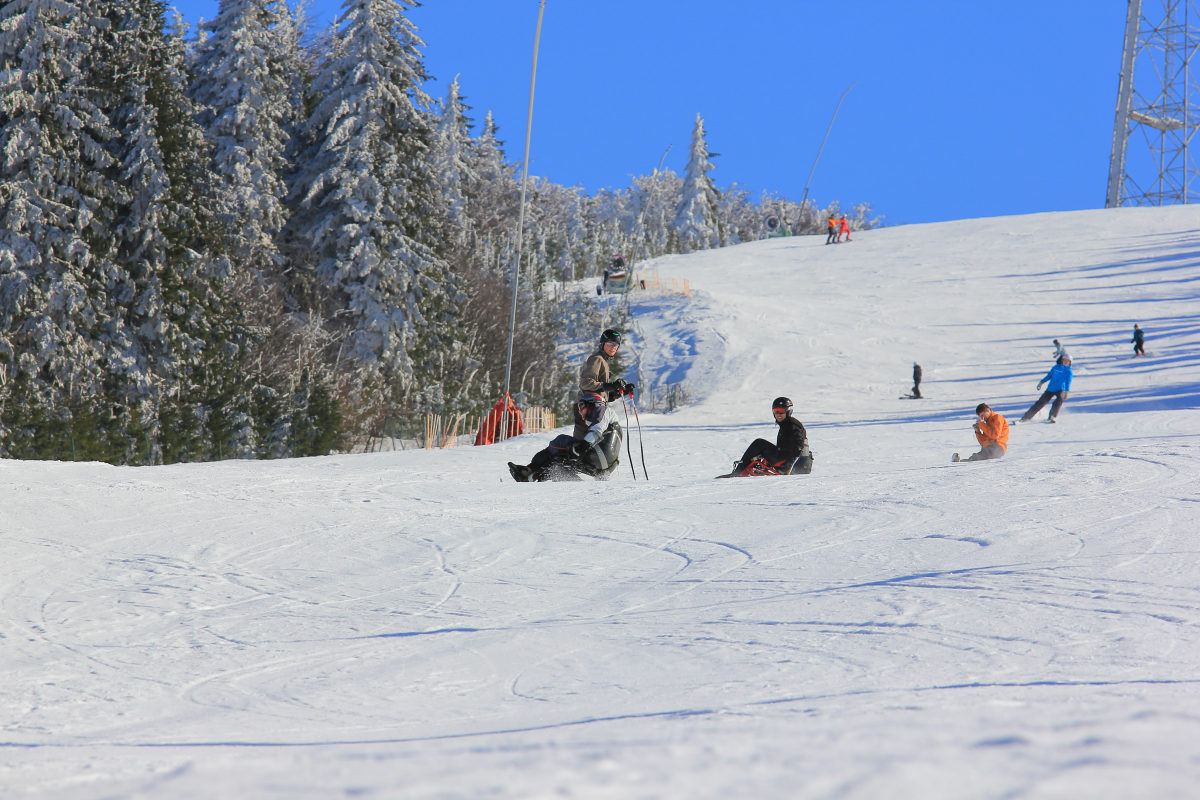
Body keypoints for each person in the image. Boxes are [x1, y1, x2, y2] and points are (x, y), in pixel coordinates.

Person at [509, 390, 624, 482]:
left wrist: (583, 445)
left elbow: (597, 429)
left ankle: (528, 470)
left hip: (600, 456)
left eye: (582, 406)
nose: (580, 411)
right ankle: (535, 475)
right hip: (606, 464)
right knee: (561, 456)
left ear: (593, 403)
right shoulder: (608, 418)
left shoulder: (601, 410)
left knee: (560, 441)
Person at [719, 396, 813, 477]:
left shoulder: (792, 425)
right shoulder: (787, 424)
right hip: (786, 461)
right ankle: (744, 469)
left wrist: (790, 467)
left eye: (781, 411)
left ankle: (738, 472)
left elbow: (799, 445)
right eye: (776, 411)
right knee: (763, 448)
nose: (778, 414)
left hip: (786, 464)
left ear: (788, 411)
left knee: (759, 443)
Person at [579, 328, 635, 405]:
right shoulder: (597, 359)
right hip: (589, 407)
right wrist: (610, 386)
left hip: (596, 406)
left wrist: (618, 392)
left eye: (616, 345)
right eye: (610, 343)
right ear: (602, 343)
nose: (613, 347)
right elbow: (585, 383)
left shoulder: (604, 361)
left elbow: (600, 393)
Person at [1019, 356, 1073, 423]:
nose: (1065, 362)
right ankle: (1025, 418)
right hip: (1051, 388)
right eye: (1064, 360)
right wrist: (1042, 382)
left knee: (1059, 400)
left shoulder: (1069, 372)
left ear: (1070, 362)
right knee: (1041, 403)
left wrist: (1066, 391)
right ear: (1062, 360)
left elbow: (1068, 382)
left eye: (1067, 361)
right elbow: (1049, 376)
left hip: (1061, 389)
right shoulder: (1056, 367)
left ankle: (1052, 416)